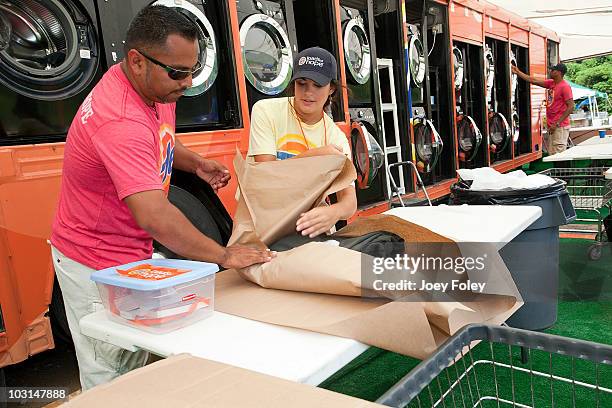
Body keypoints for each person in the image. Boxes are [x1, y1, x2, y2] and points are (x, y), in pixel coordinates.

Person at [50, 6, 272, 390]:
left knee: (137, 352)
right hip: (92, 260)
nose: (186, 82)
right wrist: (224, 255)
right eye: (178, 72)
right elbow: (152, 214)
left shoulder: (154, 86)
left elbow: (159, 134)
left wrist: (193, 163)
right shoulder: (118, 118)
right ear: (136, 61)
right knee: (110, 368)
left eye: (193, 70)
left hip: (127, 250)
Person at [247, 47, 357, 238]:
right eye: (302, 83)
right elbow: (265, 174)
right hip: (262, 222)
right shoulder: (266, 111)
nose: (308, 92)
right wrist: (317, 156)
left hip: (308, 226)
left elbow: (349, 202)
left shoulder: (336, 138)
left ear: (331, 88)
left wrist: (333, 213)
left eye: (317, 85)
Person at [512, 63, 574, 154]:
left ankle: (561, 168)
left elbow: (571, 106)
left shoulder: (565, 87)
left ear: (559, 73)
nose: (550, 71)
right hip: (553, 126)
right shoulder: (551, 83)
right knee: (553, 153)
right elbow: (533, 80)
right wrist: (518, 72)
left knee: (558, 154)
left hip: (559, 127)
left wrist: (557, 123)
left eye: (553, 70)